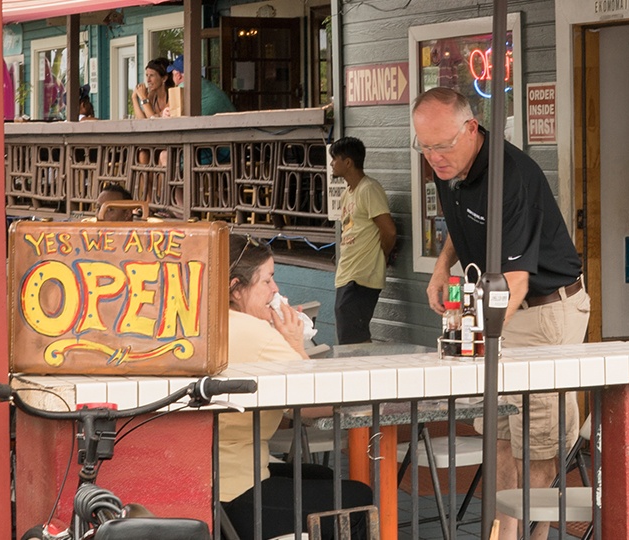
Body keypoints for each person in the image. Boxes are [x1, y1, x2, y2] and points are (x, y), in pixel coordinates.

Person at [411, 87, 590, 540]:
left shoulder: (511, 177)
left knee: (539, 438)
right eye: (424, 146)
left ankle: (539, 532)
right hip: (498, 310)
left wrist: (474, 337)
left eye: (442, 145)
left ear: (471, 128)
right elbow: (463, 221)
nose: (433, 157)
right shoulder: (448, 162)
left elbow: (517, 281)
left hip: (543, 309)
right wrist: (441, 267)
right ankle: (503, 534)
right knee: (501, 434)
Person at [221, 234, 372, 540]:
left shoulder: (211, 323)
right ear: (236, 288)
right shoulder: (255, 333)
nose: (275, 289)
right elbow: (319, 403)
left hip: (211, 473)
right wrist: (293, 344)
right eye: (267, 280)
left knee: (323, 476)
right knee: (358, 498)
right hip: (233, 490)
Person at [329, 137, 396, 344]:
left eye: (334, 159)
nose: (331, 164)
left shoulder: (369, 189)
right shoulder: (347, 194)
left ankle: (359, 374)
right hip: (347, 274)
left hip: (361, 276)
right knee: (348, 332)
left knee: (353, 338)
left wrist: (382, 256)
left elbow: (389, 231)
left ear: (348, 162)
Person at [165, 55, 236, 116]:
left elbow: (172, 113)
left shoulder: (184, 87)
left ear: (178, 75)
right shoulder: (204, 83)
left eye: (172, 74)